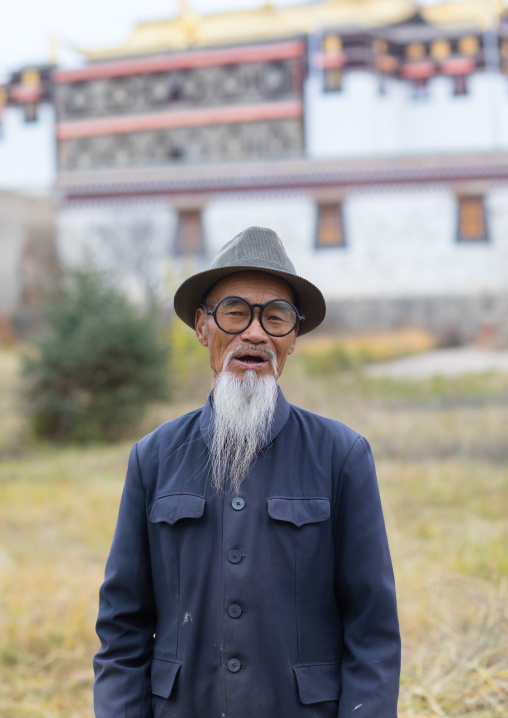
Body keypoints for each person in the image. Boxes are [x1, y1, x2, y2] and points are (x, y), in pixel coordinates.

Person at [93, 226, 401, 718]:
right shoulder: (153, 457)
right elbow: (122, 628)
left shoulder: (341, 454)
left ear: (292, 338)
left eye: (276, 318)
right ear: (202, 327)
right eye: (235, 312)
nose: (255, 333)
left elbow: (373, 629)